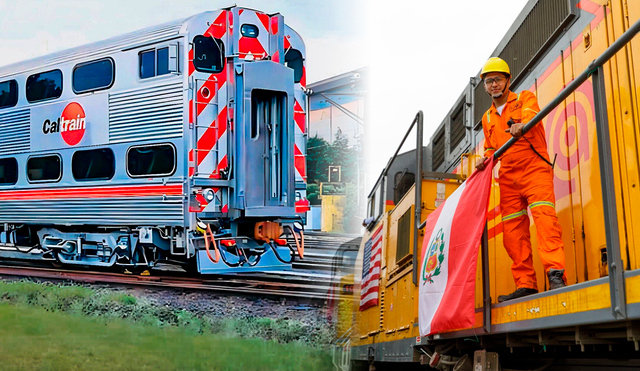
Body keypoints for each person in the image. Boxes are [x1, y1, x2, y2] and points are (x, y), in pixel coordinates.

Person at [476, 57, 566, 302]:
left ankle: (555, 274)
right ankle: (525, 283)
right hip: (508, 177)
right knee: (513, 234)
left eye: (498, 79)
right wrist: (483, 159)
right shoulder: (487, 118)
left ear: (508, 80)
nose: (493, 84)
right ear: (484, 86)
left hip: (534, 168)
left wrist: (522, 125)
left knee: (545, 221)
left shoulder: (525, 98)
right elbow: (489, 147)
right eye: (488, 81)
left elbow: (531, 116)